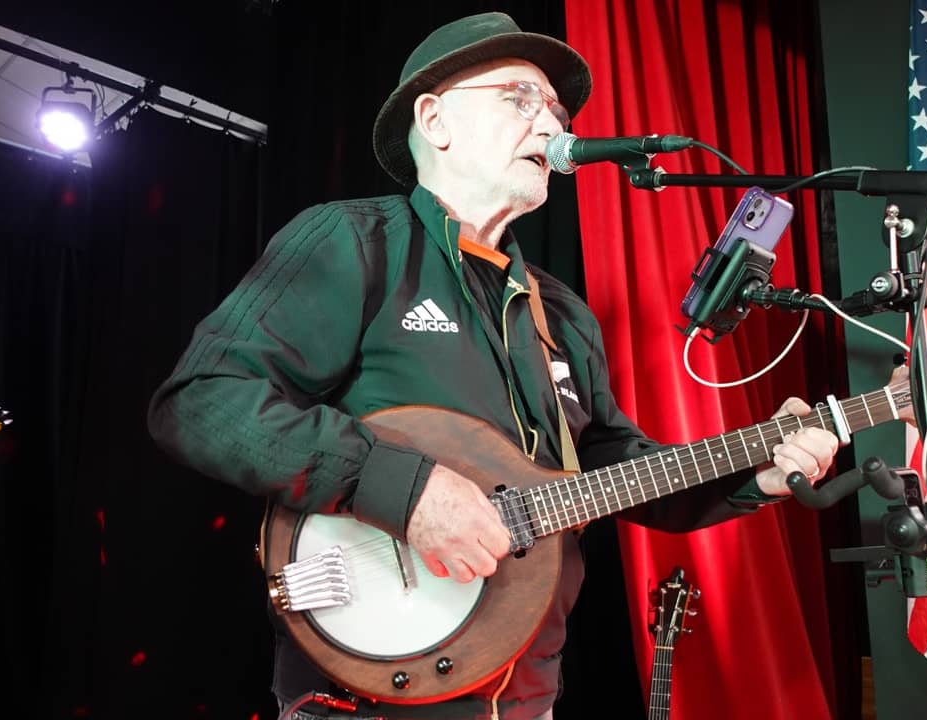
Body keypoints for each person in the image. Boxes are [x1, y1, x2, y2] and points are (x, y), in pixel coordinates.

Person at [147, 11, 839, 720]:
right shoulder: (355, 242)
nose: (551, 125)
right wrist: (403, 489)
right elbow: (202, 401)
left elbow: (612, 471)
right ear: (436, 120)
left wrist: (754, 470)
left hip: (526, 691)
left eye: (557, 110)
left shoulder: (561, 312)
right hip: (368, 694)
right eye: (520, 98)